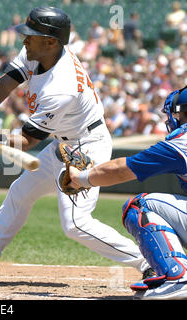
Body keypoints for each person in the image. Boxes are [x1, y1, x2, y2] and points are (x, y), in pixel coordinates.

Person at [0, 6, 151, 284]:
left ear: (51, 40)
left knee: (76, 224)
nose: (24, 40)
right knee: (19, 195)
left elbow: (27, 141)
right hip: (62, 142)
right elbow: (6, 82)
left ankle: (150, 262)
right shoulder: (39, 52)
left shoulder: (61, 87)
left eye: (31, 35)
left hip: (86, 148)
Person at [67, 86, 187, 300]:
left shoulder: (183, 141)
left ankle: (179, 278)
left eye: (178, 113)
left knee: (140, 206)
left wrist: (81, 178)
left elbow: (122, 170)